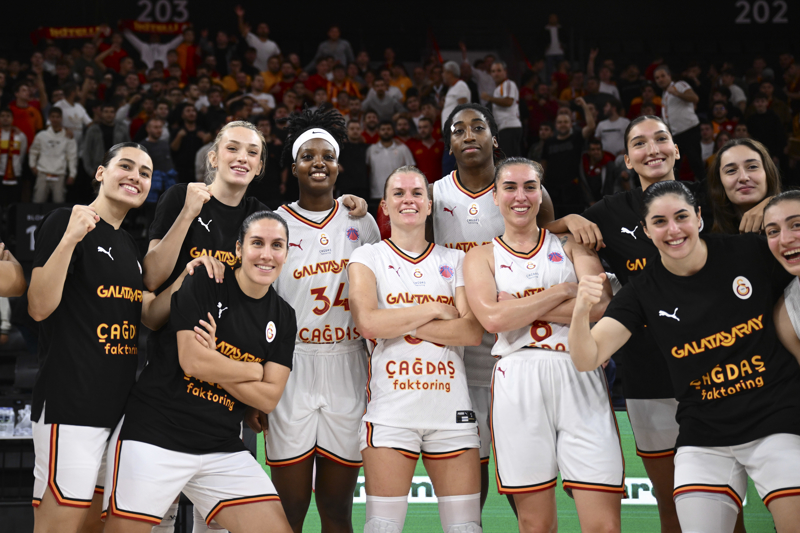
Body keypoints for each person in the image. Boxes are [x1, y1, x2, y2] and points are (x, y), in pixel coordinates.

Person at [570, 180, 800, 533]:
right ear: (646, 230)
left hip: (775, 419)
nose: (673, 230)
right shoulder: (642, 290)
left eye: (681, 217)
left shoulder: (748, 252)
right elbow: (588, 358)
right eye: (660, 222)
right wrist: (581, 311)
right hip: (703, 434)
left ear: (699, 217)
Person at [103, 211, 296, 533]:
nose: (266, 254)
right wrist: (251, 369)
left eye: (277, 245)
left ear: (286, 253)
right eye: (257, 243)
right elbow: (192, 362)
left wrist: (215, 359)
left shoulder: (284, 316)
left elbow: (269, 398)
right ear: (238, 249)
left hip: (221, 444)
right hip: (157, 433)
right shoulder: (207, 280)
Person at [464, 158, 624, 532]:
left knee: (604, 525)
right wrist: (565, 291)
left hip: (577, 367)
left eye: (530, 187)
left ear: (541, 193)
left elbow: (600, 305)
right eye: (510, 187)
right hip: (517, 375)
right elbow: (493, 319)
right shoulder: (480, 256)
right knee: (536, 525)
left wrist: (518, 307)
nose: (520, 196)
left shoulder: (573, 245)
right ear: (495, 196)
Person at [431, 103, 554, 516]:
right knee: (472, 463)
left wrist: (570, 222)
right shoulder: (432, 195)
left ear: (494, 139)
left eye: (478, 127)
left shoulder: (525, 192)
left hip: (515, 343)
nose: (468, 135)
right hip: (460, 351)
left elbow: (547, 244)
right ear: (449, 145)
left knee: (524, 466)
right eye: (458, 130)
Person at [27, 143, 157, 533]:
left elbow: (147, 316)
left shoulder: (128, 245)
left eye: (145, 173)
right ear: (101, 172)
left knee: (92, 526)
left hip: (116, 411)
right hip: (71, 406)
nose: (135, 176)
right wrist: (70, 238)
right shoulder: (65, 220)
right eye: (126, 166)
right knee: (58, 526)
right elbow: (38, 307)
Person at [348, 166, 485, 533]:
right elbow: (368, 323)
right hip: (392, 411)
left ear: (429, 205)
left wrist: (397, 321)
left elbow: (471, 331)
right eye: (398, 193)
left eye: (416, 193)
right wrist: (435, 309)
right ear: (384, 206)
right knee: (382, 527)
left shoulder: (456, 260)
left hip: (451, 410)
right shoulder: (367, 257)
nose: (408, 200)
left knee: (466, 529)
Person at [265, 108, 380, 533]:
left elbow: (379, 293)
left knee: (336, 508)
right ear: (293, 166)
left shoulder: (361, 221)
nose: (318, 163)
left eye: (327, 156)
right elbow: (261, 306)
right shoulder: (274, 223)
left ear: (338, 166)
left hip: (347, 361)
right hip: (290, 364)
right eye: (308, 156)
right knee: (290, 508)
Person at [708, 138, 781, 235]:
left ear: (768, 173)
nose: (743, 177)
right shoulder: (704, 223)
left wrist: (777, 202)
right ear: (720, 180)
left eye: (752, 167)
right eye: (731, 170)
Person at [653, 65, 704, 181]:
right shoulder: (665, 94)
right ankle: (675, 189)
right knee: (673, 166)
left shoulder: (679, 85)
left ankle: (706, 189)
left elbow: (695, 98)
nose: (660, 79)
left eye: (662, 76)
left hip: (689, 130)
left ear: (669, 76)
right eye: (657, 78)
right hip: (675, 134)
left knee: (695, 162)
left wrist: (677, 93)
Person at [29, 106, 78, 203]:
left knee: (59, 202)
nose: (55, 119)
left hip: (59, 174)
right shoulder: (41, 135)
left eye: (57, 117)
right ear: (49, 118)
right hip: (43, 172)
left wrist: (72, 174)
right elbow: (33, 151)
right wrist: (32, 165)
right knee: (38, 201)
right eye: (53, 117)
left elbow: (72, 156)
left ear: (61, 118)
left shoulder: (68, 137)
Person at [365, 120, 415, 204]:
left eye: (388, 129)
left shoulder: (403, 148)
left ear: (393, 131)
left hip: (399, 194)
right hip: (376, 194)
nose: (386, 132)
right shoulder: (371, 149)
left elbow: (411, 170)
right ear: (378, 131)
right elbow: (366, 169)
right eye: (383, 129)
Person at [481, 61, 522, 157]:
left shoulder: (508, 84)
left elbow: (508, 101)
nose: (496, 74)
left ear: (505, 71)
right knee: (507, 159)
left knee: (508, 160)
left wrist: (489, 98)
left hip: (509, 126)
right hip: (504, 128)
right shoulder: (498, 88)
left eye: (499, 70)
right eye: (493, 71)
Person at [235, 5, 280, 72]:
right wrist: (240, 17)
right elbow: (242, 30)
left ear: (268, 30)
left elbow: (279, 58)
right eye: (261, 27)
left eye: (265, 28)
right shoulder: (253, 39)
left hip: (268, 73)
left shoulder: (273, 44)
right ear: (257, 30)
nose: (263, 29)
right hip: (254, 71)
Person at [405, 116, 443, 183]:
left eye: (425, 127)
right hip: (420, 184)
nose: (422, 130)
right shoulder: (413, 146)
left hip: (439, 184)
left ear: (432, 128)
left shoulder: (441, 146)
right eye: (420, 128)